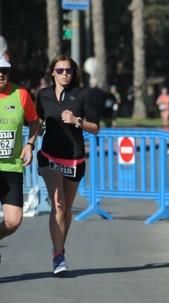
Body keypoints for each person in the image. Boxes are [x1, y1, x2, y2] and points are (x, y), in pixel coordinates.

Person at [36, 55, 99, 275]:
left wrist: (77, 121)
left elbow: (95, 127)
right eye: (60, 70)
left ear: (74, 73)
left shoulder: (82, 95)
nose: (65, 74)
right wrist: (29, 142)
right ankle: (58, 256)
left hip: (74, 158)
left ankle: (60, 248)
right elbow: (37, 122)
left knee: (67, 209)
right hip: (49, 156)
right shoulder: (43, 95)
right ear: (52, 72)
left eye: (69, 70)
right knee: (59, 204)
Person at [0, 56, 41, 261]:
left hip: (11, 168)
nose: (0, 74)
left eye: (4, 71)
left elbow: (35, 122)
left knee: (13, 221)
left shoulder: (21, 94)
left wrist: (29, 145)